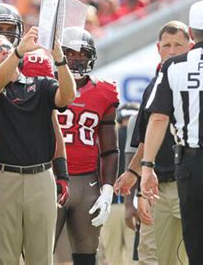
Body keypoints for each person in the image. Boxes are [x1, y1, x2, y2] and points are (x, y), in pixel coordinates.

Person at [0, 27, 76, 265]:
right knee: (5, 258)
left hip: (40, 177)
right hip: (2, 178)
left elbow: (67, 97)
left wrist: (60, 59)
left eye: (7, 48)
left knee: (41, 258)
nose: (4, 51)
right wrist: (18, 51)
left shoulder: (40, 84)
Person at [140, 0, 203, 264]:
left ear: (192, 34)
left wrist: (147, 166)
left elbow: (159, 118)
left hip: (191, 166)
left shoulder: (173, 67)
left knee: (199, 248)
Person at [118, 21, 193, 265]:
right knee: (150, 258)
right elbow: (146, 138)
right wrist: (132, 172)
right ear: (158, 48)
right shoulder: (153, 86)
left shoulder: (200, 84)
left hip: (190, 183)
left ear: (190, 47)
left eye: (178, 45)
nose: (172, 51)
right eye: (167, 45)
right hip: (155, 185)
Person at [53, 27, 119, 265]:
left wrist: (108, 189)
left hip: (87, 182)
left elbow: (110, 149)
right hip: (50, 178)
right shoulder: (46, 84)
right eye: (70, 53)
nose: (76, 58)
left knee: (86, 253)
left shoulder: (104, 91)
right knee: (39, 251)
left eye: (82, 53)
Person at [98, 103, 138, 265]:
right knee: (133, 258)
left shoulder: (107, 139)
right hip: (135, 204)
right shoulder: (141, 142)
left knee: (113, 257)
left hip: (110, 205)